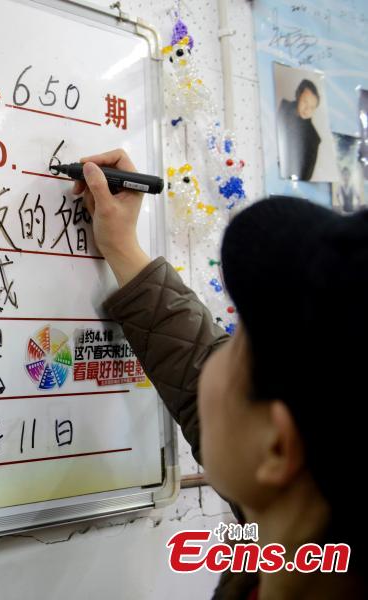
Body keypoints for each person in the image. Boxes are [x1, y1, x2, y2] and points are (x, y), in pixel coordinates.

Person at [74, 149, 368, 599]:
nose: (217, 353)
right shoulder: (309, 517)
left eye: (238, 340)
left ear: (276, 446)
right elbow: (199, 378)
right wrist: (123, 246)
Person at [277, 79, 322, 181]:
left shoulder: (314, 139)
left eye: (312, 107)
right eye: (305, 102)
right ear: (298, 95)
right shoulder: (283, 106)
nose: (307, 110)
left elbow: (305, 177)